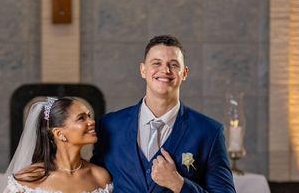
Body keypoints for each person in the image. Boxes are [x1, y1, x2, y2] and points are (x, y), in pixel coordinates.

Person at [92, 36, 236, 193]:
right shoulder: (110, 125)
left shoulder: (209, 132)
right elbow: (91, 180)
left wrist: (179, 184)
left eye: (173, 65)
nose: (165, 70)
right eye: (156, 63)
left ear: (185, 73)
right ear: (143, 70)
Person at [0, 97, 113, 193]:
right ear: (59, 133)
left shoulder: (100, 177)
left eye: (89, 116)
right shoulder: (26, 181)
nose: (92, 121)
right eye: (81, 118)